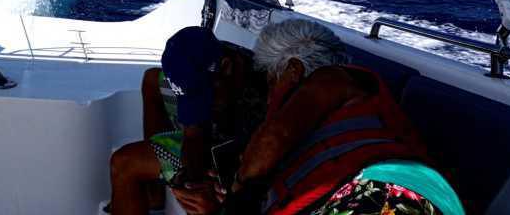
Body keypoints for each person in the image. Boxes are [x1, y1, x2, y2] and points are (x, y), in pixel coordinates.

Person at [214, 18, 464, 215]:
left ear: (293, 70)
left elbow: (272, 140)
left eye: (270, 82)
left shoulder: (333, 78)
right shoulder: (317, 121)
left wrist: (236, 190)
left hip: (390, 193)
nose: (269, 98)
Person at [107, 26, 266, 215]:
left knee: (125, 162)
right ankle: (155, 190)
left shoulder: (260, 99)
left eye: (202, 97)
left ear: (226, 67)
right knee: (152, 79)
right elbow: (193, 134)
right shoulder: (220, 58)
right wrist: (182, 178)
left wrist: (198, 188)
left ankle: (154, 178)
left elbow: (248, 176)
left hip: (228, 153)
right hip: (211, 135)